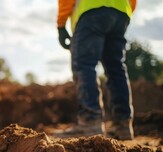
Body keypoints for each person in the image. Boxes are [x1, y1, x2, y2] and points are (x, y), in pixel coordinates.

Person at [54, 0, 136, 140]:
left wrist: (61, 24)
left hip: (90, 10)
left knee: (84, 65)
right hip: (121, 12)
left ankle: (90, 121)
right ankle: (123, 126)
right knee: (116, 68)